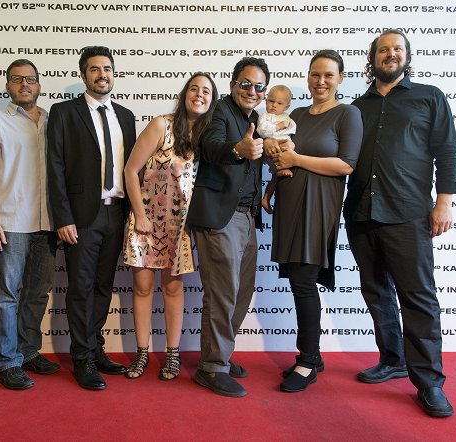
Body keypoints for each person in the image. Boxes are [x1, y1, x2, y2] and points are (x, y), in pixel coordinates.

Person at [344, 29, 456, 417]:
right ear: (373, 58)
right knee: (376, 291)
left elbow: (447, 151)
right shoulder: (356, 107)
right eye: (383, 50)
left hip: (409, 213)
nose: (390, 55)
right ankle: (393, 359)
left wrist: (444, 202)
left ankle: (429, 383)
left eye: (397, 49)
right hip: (361, 213)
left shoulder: (429, 97)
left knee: (418, 298)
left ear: (407, 56)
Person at [187, 57, 292, 398]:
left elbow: (270, 151)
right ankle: (212, 368)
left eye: (259, 86)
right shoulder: (218, 111)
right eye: (245, 83)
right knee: (222, 293)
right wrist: (238, 148)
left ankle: (221, 354)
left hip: (248, 216)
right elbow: (210, 146)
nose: (252, 90)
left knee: (242, 291)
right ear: (232, 84)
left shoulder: (257, 119)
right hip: (220, 216)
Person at [263, 50, 362, 392]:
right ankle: (312, 356)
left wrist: (296, 158)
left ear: (341, 79)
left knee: (304, 282)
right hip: (290, 206)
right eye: (315, 74)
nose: (321, 81)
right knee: (297, 282)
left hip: (319, 207)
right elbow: (279, 153)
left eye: (328, 75)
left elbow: (346, 164)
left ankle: (308, 360)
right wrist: (274, 173)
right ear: (307, 78)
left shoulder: (348, 114)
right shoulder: (297, 115)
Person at [0, 59, 60, 390]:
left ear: (39, 85)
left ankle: (28, 351)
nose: (24, 84)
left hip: (48, 223)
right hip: (9, 222)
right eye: (16, 79)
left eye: (30, 79)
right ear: (7, 86)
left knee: (37, 292)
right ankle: (6, 361)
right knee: (6, 293)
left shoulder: (54, 121)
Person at [47, 46, 137, 391]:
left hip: (116, 212)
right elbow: (55, 167)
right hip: (81, 217)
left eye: (108, 69)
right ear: (84, 75)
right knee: (81, 289)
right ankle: (81, 358)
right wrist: (62, 216)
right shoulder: (64, 113)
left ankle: (95, 348)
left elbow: (132, 169)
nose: (103, 75)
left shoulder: (126, 116)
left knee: (102, 286)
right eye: (95, 69)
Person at [122, 73, 218, 381]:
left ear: (212, 99)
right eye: (194, 88)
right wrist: (139, 214)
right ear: (185, 93)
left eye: (206, 91)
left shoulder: (209, 136)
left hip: (182, 226)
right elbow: (131, 169)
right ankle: (141, 354)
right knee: (142, 287)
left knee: (174, 288)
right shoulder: (161, 125)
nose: (199, 95)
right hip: (146, 218)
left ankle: (173, 356)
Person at [258, 84, 298, 213]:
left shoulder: (287, 117)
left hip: (284, 148)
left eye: (279, 103)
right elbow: (262, 131)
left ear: (286, 107)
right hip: (271, 149)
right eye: (271, 101)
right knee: (278, 172)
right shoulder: (265, 117)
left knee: (276, 176)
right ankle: (281, 169)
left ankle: (266, 198)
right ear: (266, 101)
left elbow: (293, 128)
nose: (274, 105)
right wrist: (278, 126)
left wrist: (289, 142)